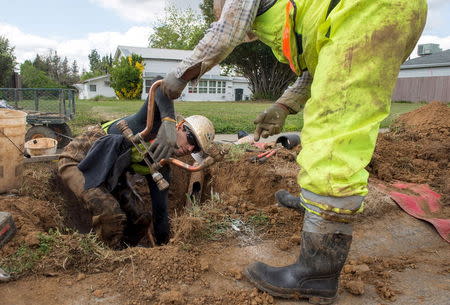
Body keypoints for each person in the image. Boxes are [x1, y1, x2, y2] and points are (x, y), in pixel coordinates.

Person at [154, 0, 427, 303]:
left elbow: (227, 30)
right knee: (326, 121)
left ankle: (317, 272)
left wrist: (177, 77)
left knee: (335, 130)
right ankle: (318, 206)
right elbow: (318, 65)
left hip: (366, 11)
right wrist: (283, 106)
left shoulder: (239, 6)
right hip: (377, 14)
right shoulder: (301, 12)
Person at [58, 87, 215, 249]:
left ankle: (126, 250)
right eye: (190, 139)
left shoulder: (162, 166)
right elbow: (160, 87)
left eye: (195, 149)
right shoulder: (151, 125)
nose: (189, 149)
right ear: (180, 126)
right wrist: (167, 122)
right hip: (80, 162)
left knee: (141, 219)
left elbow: (160, 211)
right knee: (111, 214)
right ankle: (104, 256)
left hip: (109, 177)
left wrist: (165, 248)